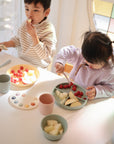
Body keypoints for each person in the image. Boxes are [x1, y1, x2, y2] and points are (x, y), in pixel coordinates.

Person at [55, 31, 114, 100]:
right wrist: (60, 62)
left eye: (93, 64)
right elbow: (66, 51)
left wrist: (97, 91)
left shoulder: (110, 72)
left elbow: (111, 89)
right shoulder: (81, 56)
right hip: (71, 90)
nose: (88, 65)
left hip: (88, 98)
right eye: (86, 60)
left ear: (107, 59)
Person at [0, 0, 57, 68]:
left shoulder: (48, 30)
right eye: (27, 9)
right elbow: (17, 41)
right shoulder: (25, 24)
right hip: (21, 62)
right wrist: (2, 45)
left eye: (35, 10)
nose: (29, 14)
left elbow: (45, 54)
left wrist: (34, 36)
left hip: (39, 67)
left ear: (46, 12)